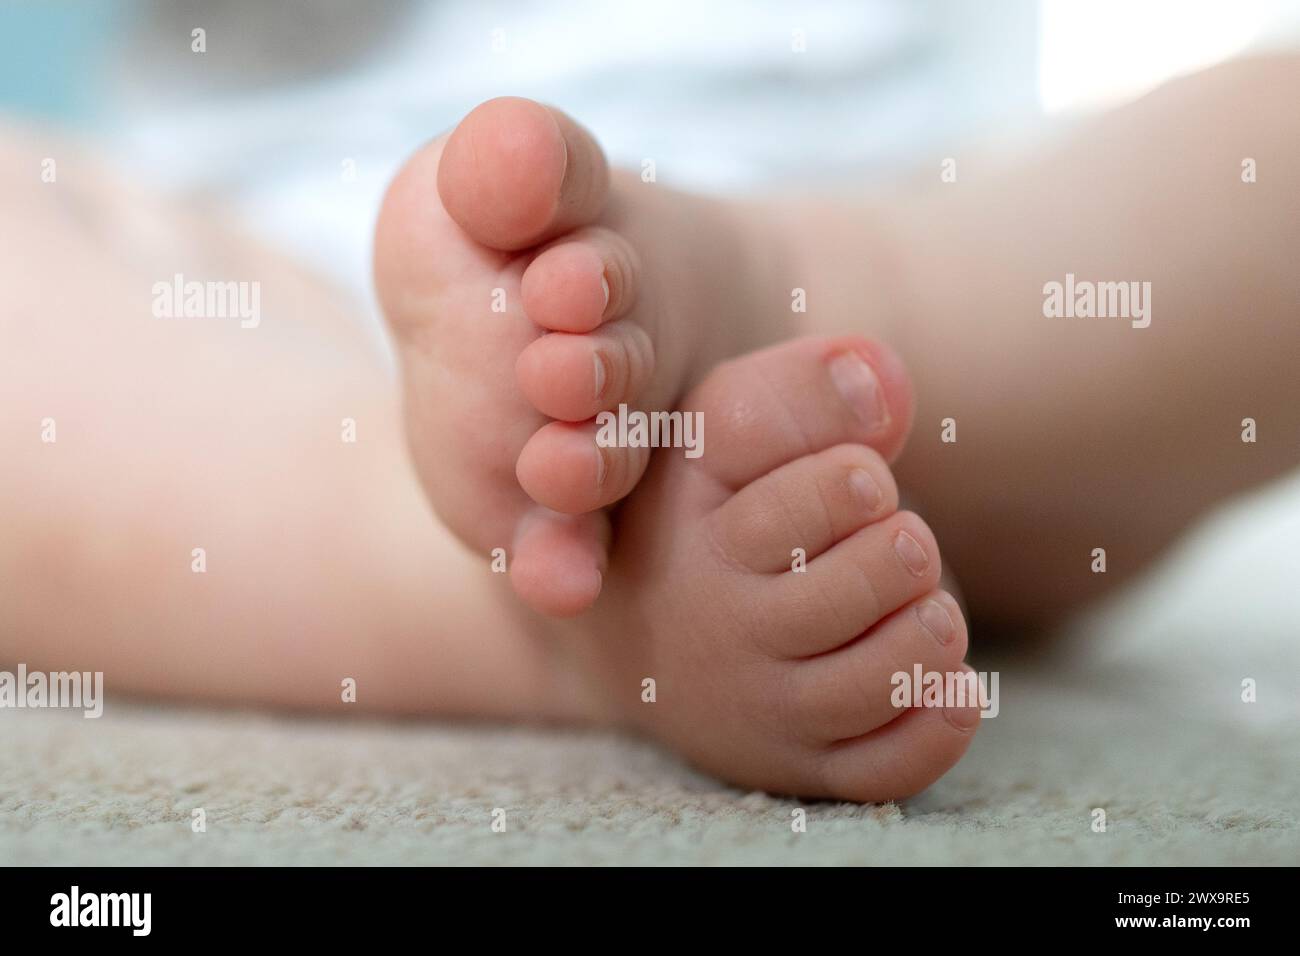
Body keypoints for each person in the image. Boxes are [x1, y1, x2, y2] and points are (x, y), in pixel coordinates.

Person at [4, 55, 1298, 801]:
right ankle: (546, 601)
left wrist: (809, 283)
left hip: (938, 286)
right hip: (281, 327)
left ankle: (773, 289)